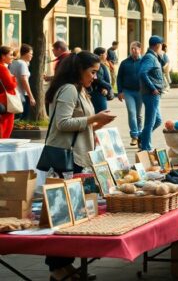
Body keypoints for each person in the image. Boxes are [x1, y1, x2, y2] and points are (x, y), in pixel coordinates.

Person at [43, 51, 115, 280]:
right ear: (79, 70)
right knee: (63, 216)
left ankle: (66, 266)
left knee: (72, 216)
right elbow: (63, 123)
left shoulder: (80, 89)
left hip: (77, 157)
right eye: (92, 72)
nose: (95, 77)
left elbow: (80, 125)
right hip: (67, 159)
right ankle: (57, 269)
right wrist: (94, 119)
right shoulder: (69, 89)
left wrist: (97, 124)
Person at [138, 36, 165, 151]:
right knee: (150, 122)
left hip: (153, 94)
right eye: (161, 45)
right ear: (158, 45)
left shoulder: (154, 56)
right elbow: (142, 73)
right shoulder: (150, 57)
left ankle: (142, 137)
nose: (162, 47)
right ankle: (146, 147)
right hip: (151, 94)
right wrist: (153, 88)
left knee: (157, 120)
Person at [117, 41, 144, 146]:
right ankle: (134, 136)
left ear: (140, 50)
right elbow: (119, 77)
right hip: (128, 91)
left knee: (139, 115)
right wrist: (120, 91)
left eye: (135, 48)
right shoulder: (124, 63)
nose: (133, 50)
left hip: (140, 92)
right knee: (132, 113)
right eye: (131, 48)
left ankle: (140, 134)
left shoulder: (144, 61)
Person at [9, 44, 34, 121]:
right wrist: (31, 96)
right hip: (21, 95)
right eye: (30, 54)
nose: (32, 56)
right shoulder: (22, 64)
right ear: (25, 54)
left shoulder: (14, 62)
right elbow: (24, 80)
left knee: (13, 117)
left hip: (13, 94)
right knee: (20, 117)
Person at [90, 47, 113, 114]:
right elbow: (97, 79)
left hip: (101, 92)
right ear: (101, 55)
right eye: (105, 54)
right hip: (98, 93)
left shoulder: (102, 64)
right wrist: (108, 86)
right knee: (102, 114)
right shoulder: (97, 65)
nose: (106, 56)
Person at [0, 47, 17, 137]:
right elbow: (11, 85)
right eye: (10, 55)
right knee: (6, 126)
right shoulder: (2, 68)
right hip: (6, 101)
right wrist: (13, 77)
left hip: (3, 101)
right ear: (3, 56)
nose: (12, 57)